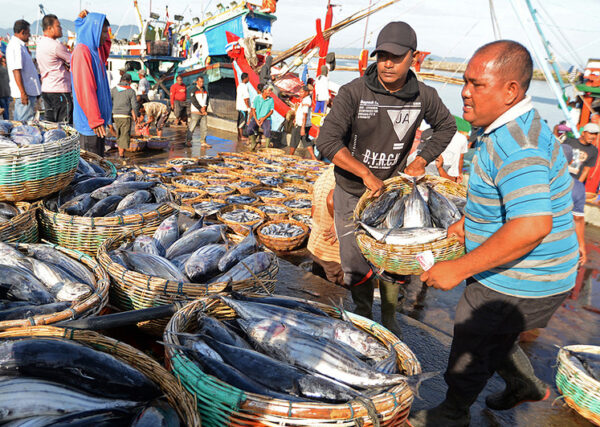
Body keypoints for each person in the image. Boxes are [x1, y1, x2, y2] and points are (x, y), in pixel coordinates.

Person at [409, 40, 578, 427]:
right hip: (547, 273)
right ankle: (524, 382)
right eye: (466, 82)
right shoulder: (508, 128)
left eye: (476, 84)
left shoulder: (518, 146)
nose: (465, 91)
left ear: (510, 91)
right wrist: (470, 221)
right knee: (497, 333)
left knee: (473, 330)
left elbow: (533, 224)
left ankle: (451, 414)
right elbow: (512, 199)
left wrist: (458, 268)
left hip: (524, 277)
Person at [315, 21, 456, 338]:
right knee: (354, 264)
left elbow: (446, 127)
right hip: (351, 192)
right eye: (382, 56)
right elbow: (326, 142)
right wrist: (364, 173)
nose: (388, 63)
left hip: (393, 195)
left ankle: (389, 320)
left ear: (413, 57)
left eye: (396, 57)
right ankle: (363, 317)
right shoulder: (354, 92)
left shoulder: (424, 96)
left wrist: (421, 160)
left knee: (394, 261)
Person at [72, 11, 112, 156]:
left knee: (99, 166)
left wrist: (80, 23)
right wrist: (95, 119)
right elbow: (85, 88)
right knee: (91, 169)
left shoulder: (96, 50)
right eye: (102, 32)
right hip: (91, 125)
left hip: (98, 122)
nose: (105, 36)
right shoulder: (83, 51)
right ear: (93, 31)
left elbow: (106, 46)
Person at [307, 165, 344, 286]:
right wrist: (337, 223)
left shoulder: (325, 175)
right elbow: (331, 200)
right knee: (335, 290)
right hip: (332, 252)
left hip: (316, 245)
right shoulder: (344, 176)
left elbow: (313, 211)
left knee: (317, 285)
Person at [37, 14, 73, 124]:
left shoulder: (40, 43)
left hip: (47, 89)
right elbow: (74, 61)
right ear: (49, 28)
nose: (61, 28)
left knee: (50, 124)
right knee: (65, 126)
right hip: (60, 90)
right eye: (58, 26)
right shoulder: (56, 45)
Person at [6, 20, 41, 122]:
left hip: (27, 92)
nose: (29, 35)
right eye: (28, 32)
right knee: (22, 127)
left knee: (22, 123)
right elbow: (16, 70)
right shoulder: (16, 46)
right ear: (22, 32)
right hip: (25, 93)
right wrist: (23, 93)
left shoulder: (20, 45)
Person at [562, 144, 587, 267]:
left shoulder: (535, 178)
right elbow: (577, 219)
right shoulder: (577, 187)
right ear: (571, 162)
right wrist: (581, 246)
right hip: (559, 243)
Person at [110, 73, 137, 158]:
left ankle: (120, 153)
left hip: (115, 116)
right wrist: (136, 115)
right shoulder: (131, 91)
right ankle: (121, 155)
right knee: (124, 136)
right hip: (125, 116)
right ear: (130, 81)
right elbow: (134, 105)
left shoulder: (114, 89)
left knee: (119, 134)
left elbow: (109, 102)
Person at [289, 85, 316, 159]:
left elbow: (305, 114)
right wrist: (296, 118)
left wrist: (302, 128)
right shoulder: (305, 99)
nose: (300, 93)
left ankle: (290, 156)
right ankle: (313, 157)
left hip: (301, 125)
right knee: (306, 141)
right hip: (304, 124)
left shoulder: (306, 100)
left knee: (294, 141)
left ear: (307, 92)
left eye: (302, 92)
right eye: (300, 92)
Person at [247, 83, 275, 151]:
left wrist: (263, 118)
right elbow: (253, 109)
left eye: (271, 91)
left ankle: (267, 148)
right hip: (256, 118)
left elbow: (271, 111)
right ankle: (253, 143)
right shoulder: (257, 98)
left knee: (267, 131)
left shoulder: (271, 99)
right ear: (264, 90)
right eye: (269, 90)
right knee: (249, 129)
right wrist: (256, 120)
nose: (270, 92)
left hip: (266, 119)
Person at [186, 76, 210, 148]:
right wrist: (200, 108)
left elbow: (207, 99)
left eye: (202, 82)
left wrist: (205, 107)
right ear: (197, 82)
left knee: (204, 127)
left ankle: (203, 141)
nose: (201, 83)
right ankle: (188, 141)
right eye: (200, 82)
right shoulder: (194, 90)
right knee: (192, 127)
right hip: (195, 111)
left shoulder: (204, 90)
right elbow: (193, 100)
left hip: (203, 111)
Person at [236, 72, 251, 141]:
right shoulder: (244, 86)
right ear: (245, 78)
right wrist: (248, 107)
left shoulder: (239, 86)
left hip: (239, 107)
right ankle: (241, 136)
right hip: (243, 107)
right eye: (248, 77)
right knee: (242, 122)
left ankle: (239, 135)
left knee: (239, 122)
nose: (248, 79)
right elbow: (246, 99)